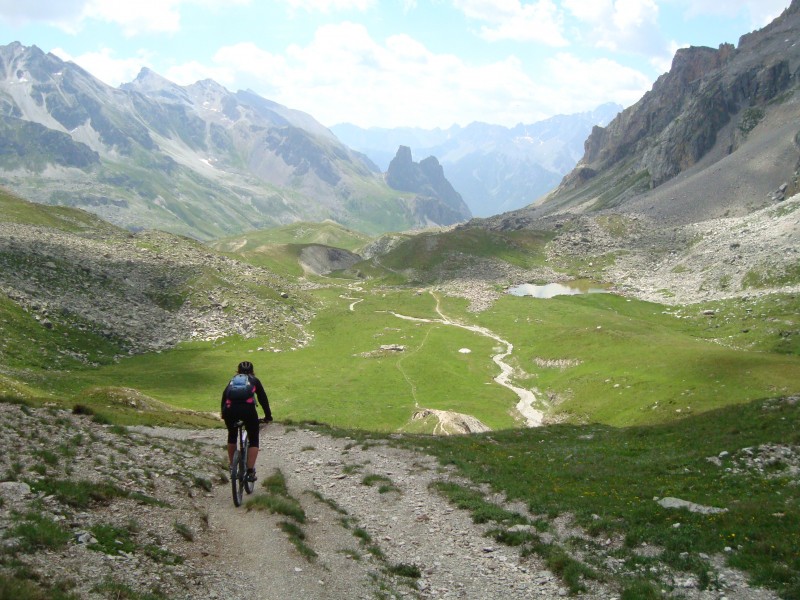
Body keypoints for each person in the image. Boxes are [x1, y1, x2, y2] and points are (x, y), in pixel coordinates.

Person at [221, 360, 273, 482]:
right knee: (254, 438)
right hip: (247, 410)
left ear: (238, 371)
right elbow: (263, 399)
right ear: (252, 371)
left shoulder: (233, 380)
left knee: (232, 435)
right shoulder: (254, 380)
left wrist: (224, 414)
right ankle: (250, 472)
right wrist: (268, 416)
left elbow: (224, 397)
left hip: (230, 410)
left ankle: (232, 466)